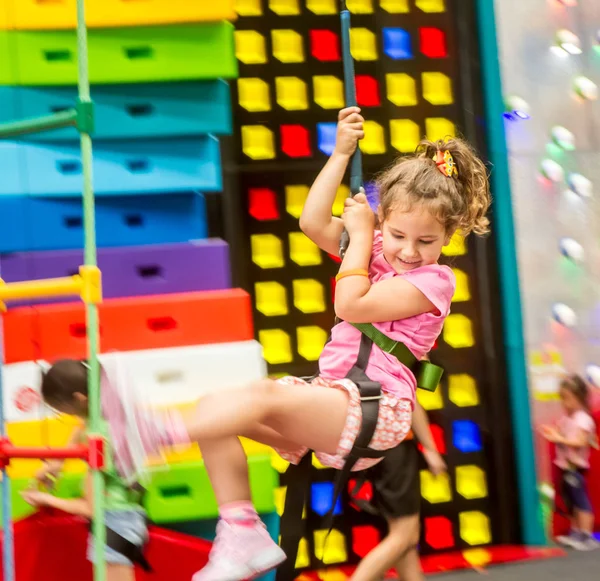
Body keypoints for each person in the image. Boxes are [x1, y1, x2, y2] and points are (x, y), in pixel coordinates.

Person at [38, 106, 491, 581]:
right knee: (220, 410)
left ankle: (155, 433)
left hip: (378, 410)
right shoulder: (373, 247)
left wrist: (362, 236)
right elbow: (312, 223)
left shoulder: (435, 281)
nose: (408, 250)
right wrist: (339, 154)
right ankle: (241, 530)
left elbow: (351, 305)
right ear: (386, 221)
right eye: (397, 234)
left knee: (264, 394)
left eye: (426, 240)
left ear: (449, 237)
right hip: (336, 400)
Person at [22, 363, 149, 581]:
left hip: (114, 522)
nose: (62, 414)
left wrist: (45, 498)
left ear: (80, 399)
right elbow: (80, 427)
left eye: (60, 410)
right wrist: (58, 463)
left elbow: (89, 507)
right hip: (123, 515)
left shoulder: (98, 444)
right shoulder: (102, 414)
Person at [350, 402, 446, 581]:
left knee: (406, 536)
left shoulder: (353, 373)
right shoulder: (389, 372)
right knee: (405, 534)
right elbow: (412, 403)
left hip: (376, 449)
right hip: (396, 450)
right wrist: (431, 449)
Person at [540, 373, 599, 551]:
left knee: (581, 501)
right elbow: (562, 432)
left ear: (579, 398)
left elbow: (580, 442)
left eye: (568, 399)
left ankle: (586, 534)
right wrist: (554, 432)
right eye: (562, 399)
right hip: (566, 466)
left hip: (576, 467)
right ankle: (576, 531)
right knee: (570, 501)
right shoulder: (568, 418)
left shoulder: (583, 419)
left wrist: (559, 438)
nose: (565, 404)